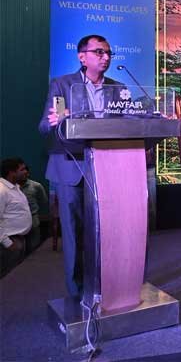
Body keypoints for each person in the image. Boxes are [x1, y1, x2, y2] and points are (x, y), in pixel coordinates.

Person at [38, 34, 123, 297]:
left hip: (106, 169)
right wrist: (56, 120)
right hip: (70, 167)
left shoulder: (118, 88)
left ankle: (105, 287)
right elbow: (45, 126)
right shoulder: (63, 85)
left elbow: (127, 123)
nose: (106, 57)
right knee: (74, 234)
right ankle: (77, 294)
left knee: (106, 232)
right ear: (82, 57)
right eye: (99, 52)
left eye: (108, 53)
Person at [1, 157, 33, 278]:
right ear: (11, 172)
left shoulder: (16, 188)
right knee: (7, 278)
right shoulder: (2, 190)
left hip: (18, 240)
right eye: (22, 169)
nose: (26, 172)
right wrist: (8, 243)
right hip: (9, 243)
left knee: (15, 278)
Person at [18, 165, 48, 251]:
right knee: (18, 249)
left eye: (26, 172)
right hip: (16, 221)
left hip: (33, 219)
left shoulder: (36, 186)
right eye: (21, 171)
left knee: (34, 248)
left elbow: (43, 200)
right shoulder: (11, 187)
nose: (24, 174)